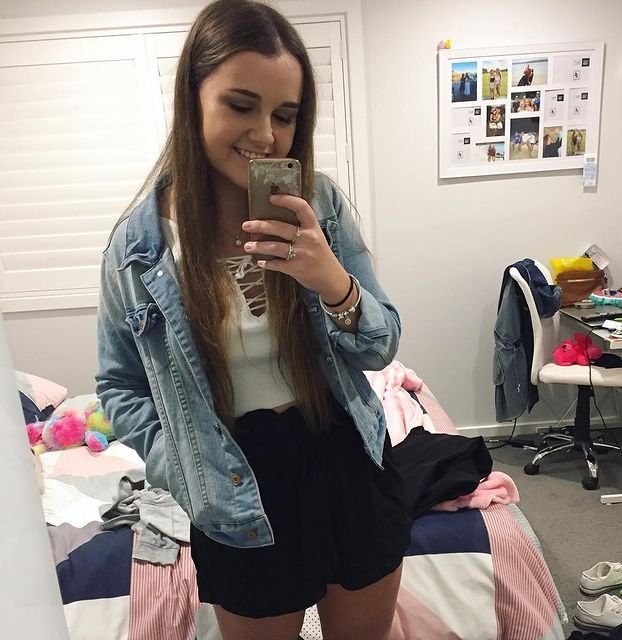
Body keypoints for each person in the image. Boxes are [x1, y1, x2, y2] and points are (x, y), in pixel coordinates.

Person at [95, 1, 410, 639]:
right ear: (192, 98)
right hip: (232, 478)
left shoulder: (318, 206)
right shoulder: (138, 249)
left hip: (344, 452)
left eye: (285, 115)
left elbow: (380, 349)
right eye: (241, 105)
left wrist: (332, 281)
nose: (265, 135)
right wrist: (179, 462)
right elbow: (119, 387)